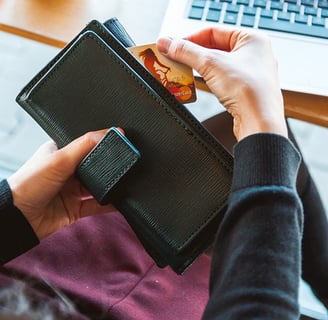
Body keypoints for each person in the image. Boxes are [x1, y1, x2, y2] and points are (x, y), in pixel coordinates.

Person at [0, 26, 327, 319]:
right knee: (267, 152)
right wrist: (263, 125)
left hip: (41, 247)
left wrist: (12, 211)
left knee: (243, 150)